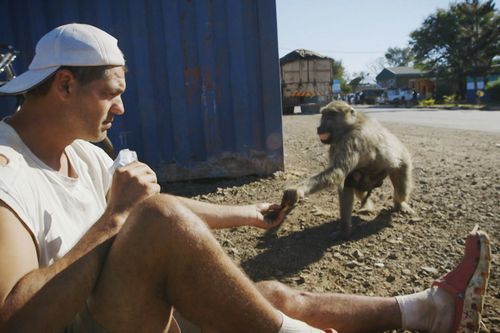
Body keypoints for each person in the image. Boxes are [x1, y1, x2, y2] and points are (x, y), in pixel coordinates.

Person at [0, 23, 491, 333]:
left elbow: (149, 210)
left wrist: (247, 215)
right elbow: (15, 320)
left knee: (269, 298)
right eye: (112, 93)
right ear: (65, 84)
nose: (122, 107)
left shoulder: (82, 154)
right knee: (156, 215)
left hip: (127, 309)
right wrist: (117, 217)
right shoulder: (7, 172)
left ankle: (431, 310)